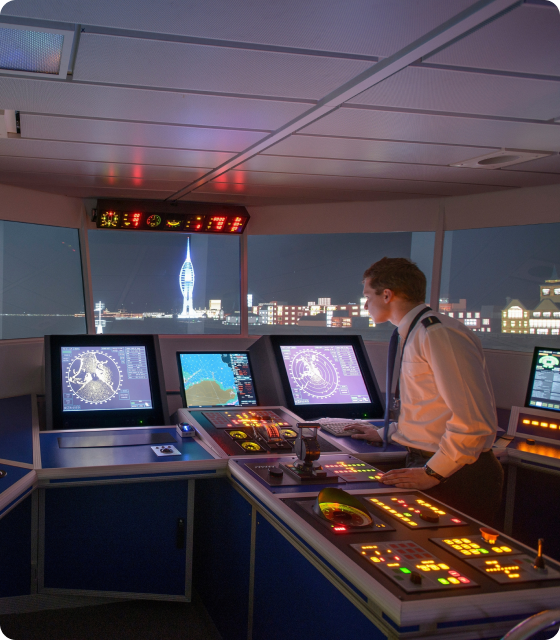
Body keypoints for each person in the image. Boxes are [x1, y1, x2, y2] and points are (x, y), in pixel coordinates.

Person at [346, 257, 503, 525]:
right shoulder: (414, 332)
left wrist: (432, 472)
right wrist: (387, 432)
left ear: (387, 295)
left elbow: (475, 423)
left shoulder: (438, 335)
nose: (365, 305)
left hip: (456, 474)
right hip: (430, 464)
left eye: (367, 296)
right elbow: (428, 406)